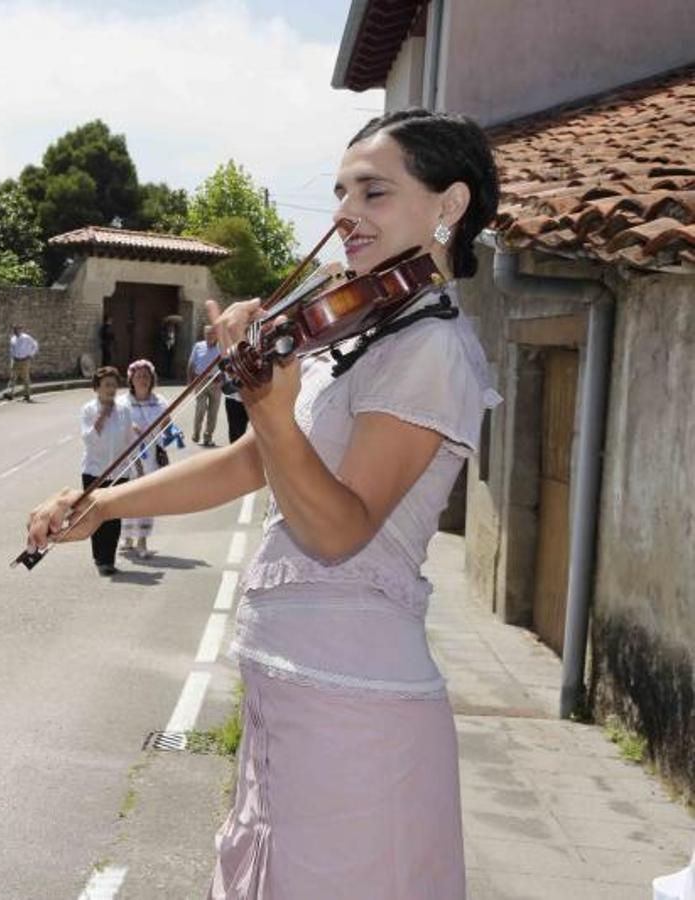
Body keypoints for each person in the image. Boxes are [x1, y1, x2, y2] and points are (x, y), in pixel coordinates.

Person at [27, 109, 502, 897]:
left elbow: (339, 529)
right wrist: (103, 502)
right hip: (293, 695)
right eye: (341, 193)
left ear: (447, 205)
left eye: (374, 194)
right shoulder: (360, 335)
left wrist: (273, 407)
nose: (345, 214)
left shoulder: (431, 350)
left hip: (353, 705)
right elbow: (251, 462)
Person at [78, 366, 133, 576]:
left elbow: (129, 441)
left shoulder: (125, 411)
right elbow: (89, 440)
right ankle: (99, 556)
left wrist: (132, 464)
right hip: (94, 470)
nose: (111, 389)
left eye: (114, 385)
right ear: (97, 388)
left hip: (118, 471)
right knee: (95, 515)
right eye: (107, 385)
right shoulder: (88, 410)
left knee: (114, 516)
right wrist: (101, 417)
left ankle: (109, 559)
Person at [122, 359, 168, 559]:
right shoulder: (121, 404)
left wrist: (166, 430)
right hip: (127, 459)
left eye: (146, 376)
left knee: (146, 498)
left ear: (152, 379)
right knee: (126, 498)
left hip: (150, 459)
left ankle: (142, 540)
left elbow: (168, 430)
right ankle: (128, 536)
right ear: (131, 380)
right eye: (138, 376)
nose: (142, 380)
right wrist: (130, 428)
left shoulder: (161, 403)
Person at [187, 326, 223, 447]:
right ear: (204, 334)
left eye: (212, 333)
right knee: (200, 409)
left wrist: (223, 377)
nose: (209, 336)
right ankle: (196, 433)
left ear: (216, 334)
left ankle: (208, 437)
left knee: (213, 412)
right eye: (207, 334)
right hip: (200, 381)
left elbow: (226, 364)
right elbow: (191, 364)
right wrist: (190, 381)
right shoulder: (198, 346)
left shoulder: (221, 347)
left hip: (216, 383)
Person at [6, 325, 39, 402]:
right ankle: (10, 394)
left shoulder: (26, 337)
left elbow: (35, 345)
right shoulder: (13, 339)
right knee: (12, 377)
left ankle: (27, 395)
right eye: (14, 329)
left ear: (20, 329)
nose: (15, 330)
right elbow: (12, 350)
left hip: (24, 360)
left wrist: (30, 355)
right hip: (15, 360)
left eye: (17, 329)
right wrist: (12, 359)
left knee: (25, 378)